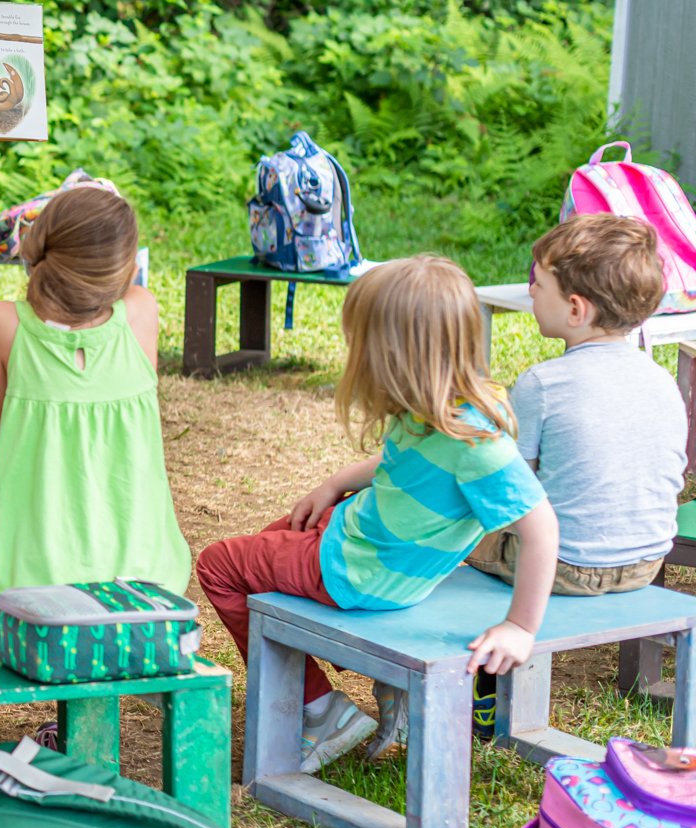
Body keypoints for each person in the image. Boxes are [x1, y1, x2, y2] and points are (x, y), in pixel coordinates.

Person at [196, 255, 560, 774]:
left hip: (360, 572)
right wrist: (335, 484)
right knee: (273, 540)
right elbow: (402, 465)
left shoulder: (478, 444)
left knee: (219, 564)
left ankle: (319, 711)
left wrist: (521, 627)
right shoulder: (444, 405)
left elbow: (541, 526)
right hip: (361, 542)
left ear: (392, 355)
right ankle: (387, 687)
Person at [0, 186, 190, 786]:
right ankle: (79, 726)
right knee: (71, 559)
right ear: (123, 270)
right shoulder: (142, 312)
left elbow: (6, 422)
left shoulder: (2, 323)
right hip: (144, 574)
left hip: (28, 575)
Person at [466, 215, 687, 730]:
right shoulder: (661, 382)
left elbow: (508, 488)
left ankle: (484, 683)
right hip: (645, 561)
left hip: (567, 565)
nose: (529, 291)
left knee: (451, 535)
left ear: (575, 308)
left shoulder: (543, 383)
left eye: (536, 284)